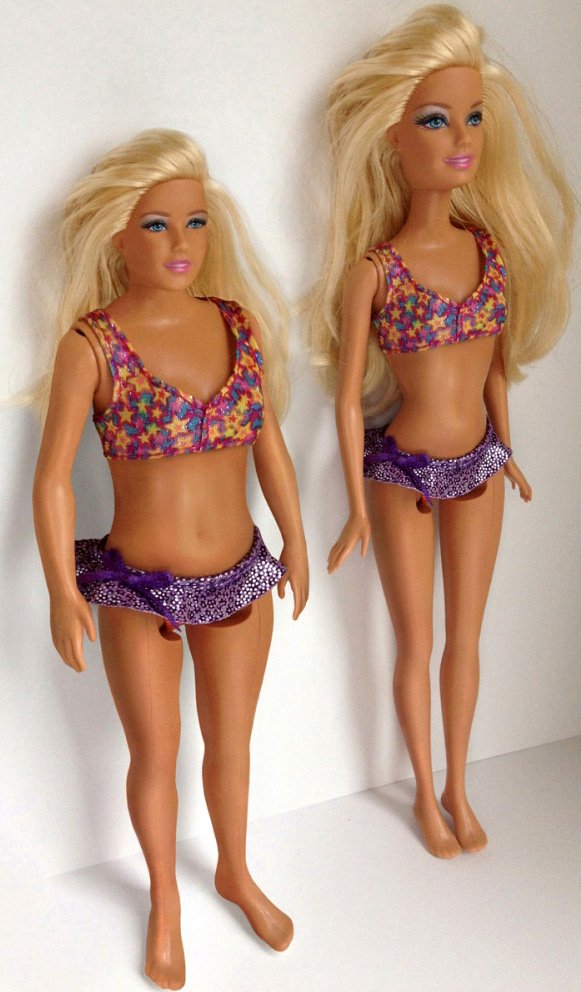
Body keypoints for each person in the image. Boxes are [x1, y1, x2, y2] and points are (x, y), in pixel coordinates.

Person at [32, 128, 308, 990]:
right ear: (117, 236)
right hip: (137, 587)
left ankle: (235, 871)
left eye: (195, 221)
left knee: (232, 743)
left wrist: (295, 538)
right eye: (156, 224)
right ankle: (164, 902)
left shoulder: (236, 324)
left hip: (238, 575)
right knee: (154, 753)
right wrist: (60, 590)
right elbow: (51, 480)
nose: (181, 242)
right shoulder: (91, 345)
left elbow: (269, 446)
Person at [310, 4, 573, 859]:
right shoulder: (374, 271)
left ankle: (460, 783)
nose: (460, 138)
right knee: (414, 640)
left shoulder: (491, 251)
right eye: (434, 119)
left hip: (481, 466)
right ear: (391, 137)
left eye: (472, 117)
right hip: (403, 475)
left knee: (465, 637)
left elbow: (494, 366)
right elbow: (347, 399)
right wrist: (354, 503)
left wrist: (510, 450)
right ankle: (424, 795)